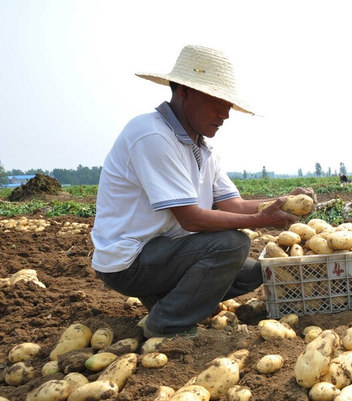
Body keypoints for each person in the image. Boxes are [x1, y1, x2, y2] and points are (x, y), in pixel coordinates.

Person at [90, 45, 314, 339]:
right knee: (232, 245)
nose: (225, 114)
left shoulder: (201, 147)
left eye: (229, 105)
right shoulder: (152, 135)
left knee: (256, 272)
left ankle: (163, 303)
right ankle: (167, 323)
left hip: (164, 251)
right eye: (217, 102)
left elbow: (232, 204)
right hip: (130, 261)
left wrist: (284, 203)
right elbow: (191, 220)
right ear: (184, 91)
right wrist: (261, 221)